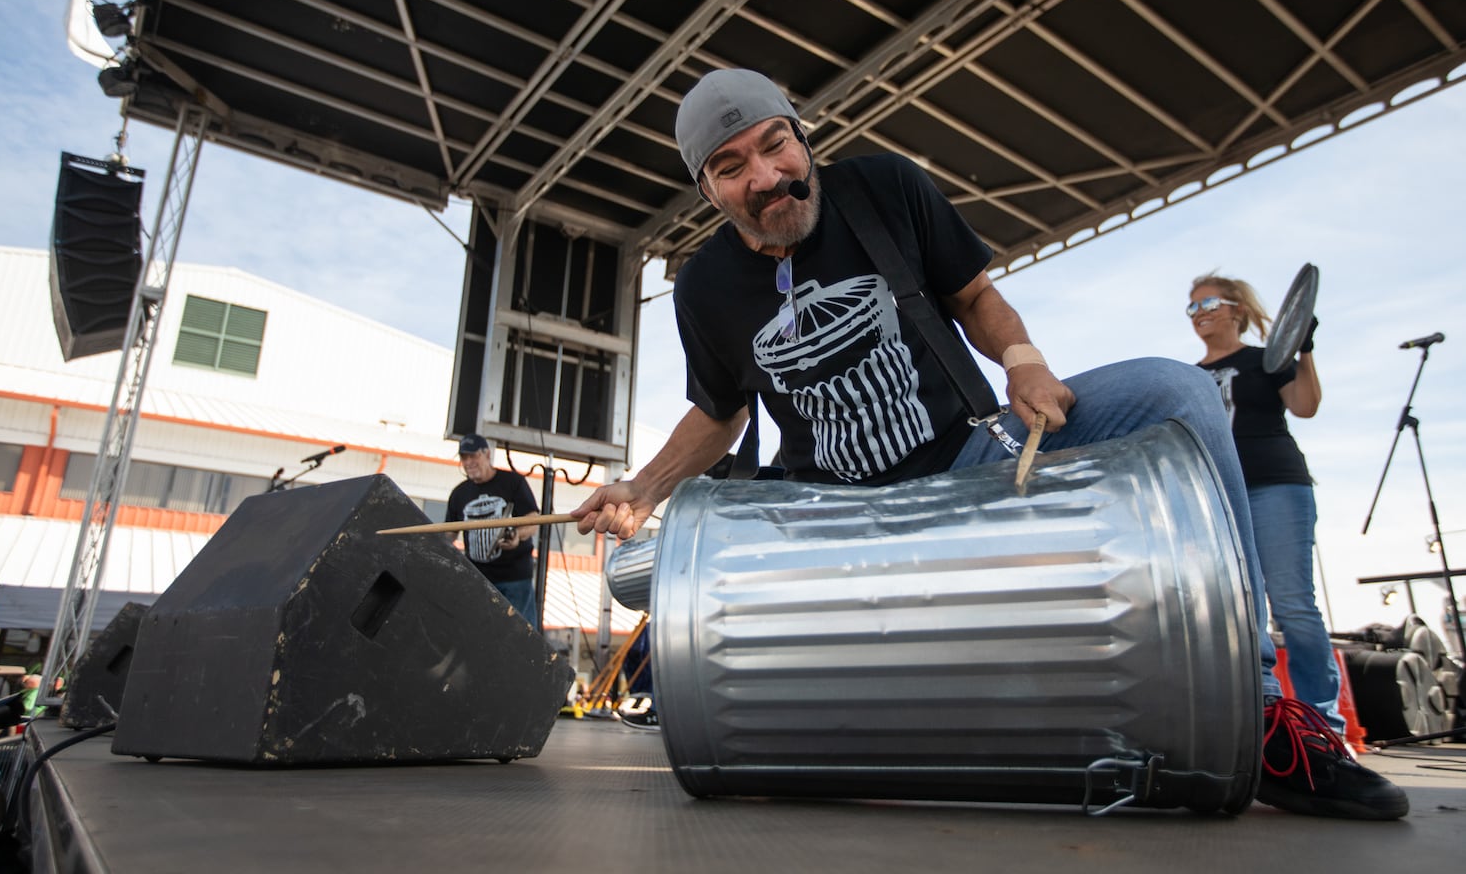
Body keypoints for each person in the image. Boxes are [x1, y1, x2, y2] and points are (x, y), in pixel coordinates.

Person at [572, 67, 1408, 820]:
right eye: (731, 167)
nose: (767, 177)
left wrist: (1023, 361)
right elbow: (721, 414)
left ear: (800, 134)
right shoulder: (707, 285)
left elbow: (974, 296)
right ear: (707, 189)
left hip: (969, 456)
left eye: (774, 144)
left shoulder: (882, 189)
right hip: (831, 508)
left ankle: (1261, 713)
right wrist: (641, 492)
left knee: (1177, 389)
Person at [1188, 275, 1344, 735]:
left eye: (1209, 302)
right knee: (1239, 611)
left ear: (1236, 309)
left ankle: (1324, 726)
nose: (1199, 312)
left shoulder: (1265, 360)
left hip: (1277, 486)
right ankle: (1265, 722)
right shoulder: (1191, 376)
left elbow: (1306, 406)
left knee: (1293, 605)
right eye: (1192, 306)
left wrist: (1304, 349)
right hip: (1220, 494)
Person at [446, 434, 541, 628]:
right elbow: (449, 534)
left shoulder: (513, 483)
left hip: (514, 578)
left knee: (522, 636)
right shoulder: (459, 493)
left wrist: (517, 536)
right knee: (478, 634)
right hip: (477, 579)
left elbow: (534, 520)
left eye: (473, 456)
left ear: (487, 454)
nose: (469, 462)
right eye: (464, 458)